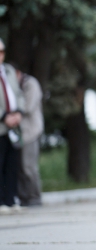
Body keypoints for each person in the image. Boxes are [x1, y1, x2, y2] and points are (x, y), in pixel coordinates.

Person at [0, 39, 25, 214]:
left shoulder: (8, 70)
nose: (0, 55)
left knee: (12, 164)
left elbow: (18, 93)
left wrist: (19, 113)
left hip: (13, 125)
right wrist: (3, 116)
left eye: (2, 51)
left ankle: (10, 200)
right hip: (1, 124)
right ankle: (1, 201)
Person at [16, 68, 44, 207]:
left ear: (17, 73)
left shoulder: (31, 84)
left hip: (31, 132)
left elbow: (28, 107)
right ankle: (24, 197)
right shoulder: (17, 86)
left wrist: (11, 111)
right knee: (19, 167)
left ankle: (34, 197)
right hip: (19, 132)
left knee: (29, 167)